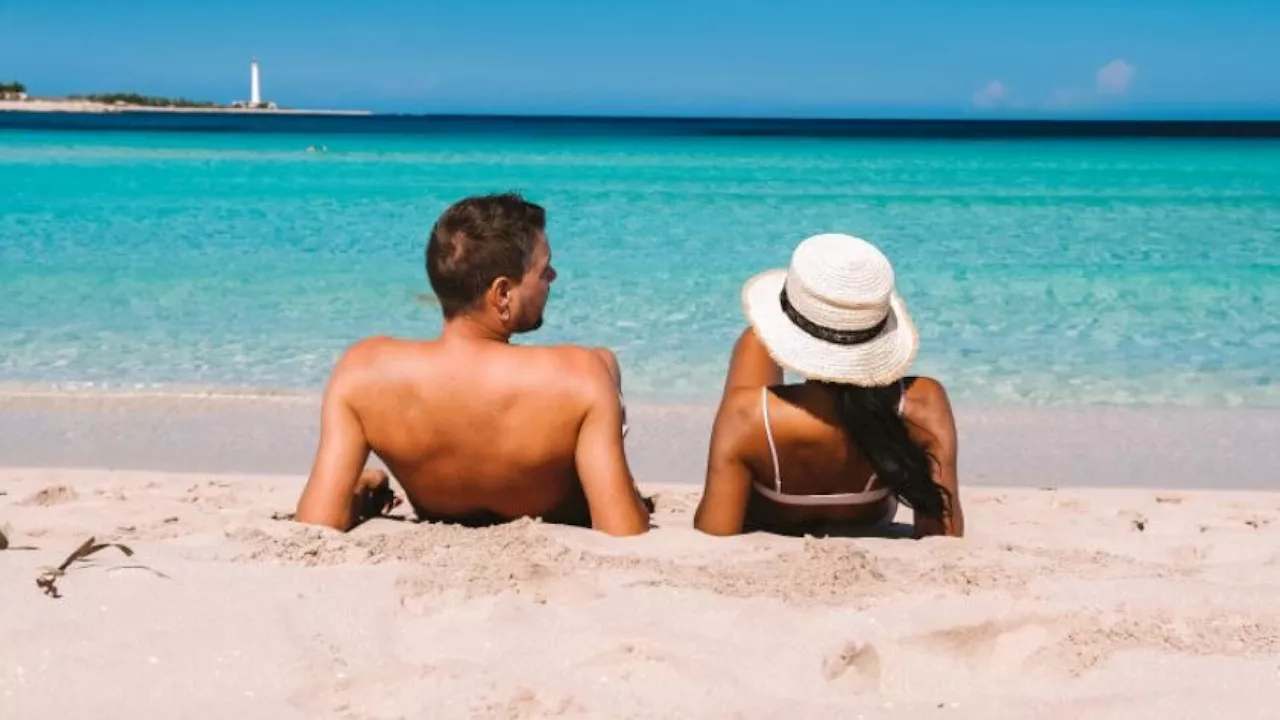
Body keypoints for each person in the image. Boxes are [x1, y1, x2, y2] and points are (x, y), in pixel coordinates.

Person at [294, 193, 649, 536]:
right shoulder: (580, 375)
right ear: (502, 294)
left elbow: (317, 523)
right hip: (551, 508)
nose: (552, 276)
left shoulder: (362, 372)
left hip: (440, 506)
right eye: (543, 270)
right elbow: (622, 531)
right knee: (606, 362)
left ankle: (366, 481)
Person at [694, 233, 963, 538]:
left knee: (754, 342)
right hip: (867, 514)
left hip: (772, 479)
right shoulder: (924, 403)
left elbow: (713, 531)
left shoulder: (746, 416)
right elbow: (943, 535)